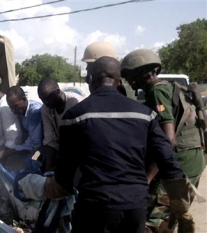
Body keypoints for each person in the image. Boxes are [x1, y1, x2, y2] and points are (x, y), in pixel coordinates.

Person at [56, 56, 194, 233]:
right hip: (135, 206)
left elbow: (65, 169)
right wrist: (181, 205)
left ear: (91, 80)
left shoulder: (74, 116)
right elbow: (167, 159)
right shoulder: (145, 114)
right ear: (119, 82)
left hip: (95, 206)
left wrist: (63, 187)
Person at [121, 49, 205, 232]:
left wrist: (147, 178)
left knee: (152, 218)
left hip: (181, 160)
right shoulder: (172, 87)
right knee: (172, 215)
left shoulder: (157, 93)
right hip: (193, 158)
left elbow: (168, 140)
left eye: (128, 75)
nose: (127, 80)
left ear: (139, 74)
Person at [37, 78, 78, 172]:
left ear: (58, 91)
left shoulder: (75, 103)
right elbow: (50, 139)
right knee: (35, 158)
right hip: (46, 150)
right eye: (42, 99)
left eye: (48, 98)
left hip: (76, 151)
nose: (46, 102)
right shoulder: (45, 109)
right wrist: (48, 168)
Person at [6, 85, 43, 161]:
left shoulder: (34, 112)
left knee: (33, 162)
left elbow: (36, 144)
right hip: (31, 147)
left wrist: (8, 152)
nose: (13, 110)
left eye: (15, 106)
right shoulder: (21, 112)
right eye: (11, 107)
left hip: (41, 149)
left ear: (24, 99)